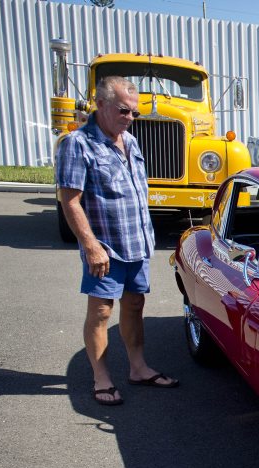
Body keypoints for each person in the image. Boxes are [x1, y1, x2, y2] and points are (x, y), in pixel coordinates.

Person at [56, 76, 179, 406]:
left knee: (135, 306)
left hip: (136, 244)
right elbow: (70, 200)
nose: (130, 117)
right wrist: (90, 246)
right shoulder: (77, 145)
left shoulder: (131, 141)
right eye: (124, 110)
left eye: (134, 113)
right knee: (101, 312)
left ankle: (138, 368)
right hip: (106, 247)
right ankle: (101, 377)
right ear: (100, 104)